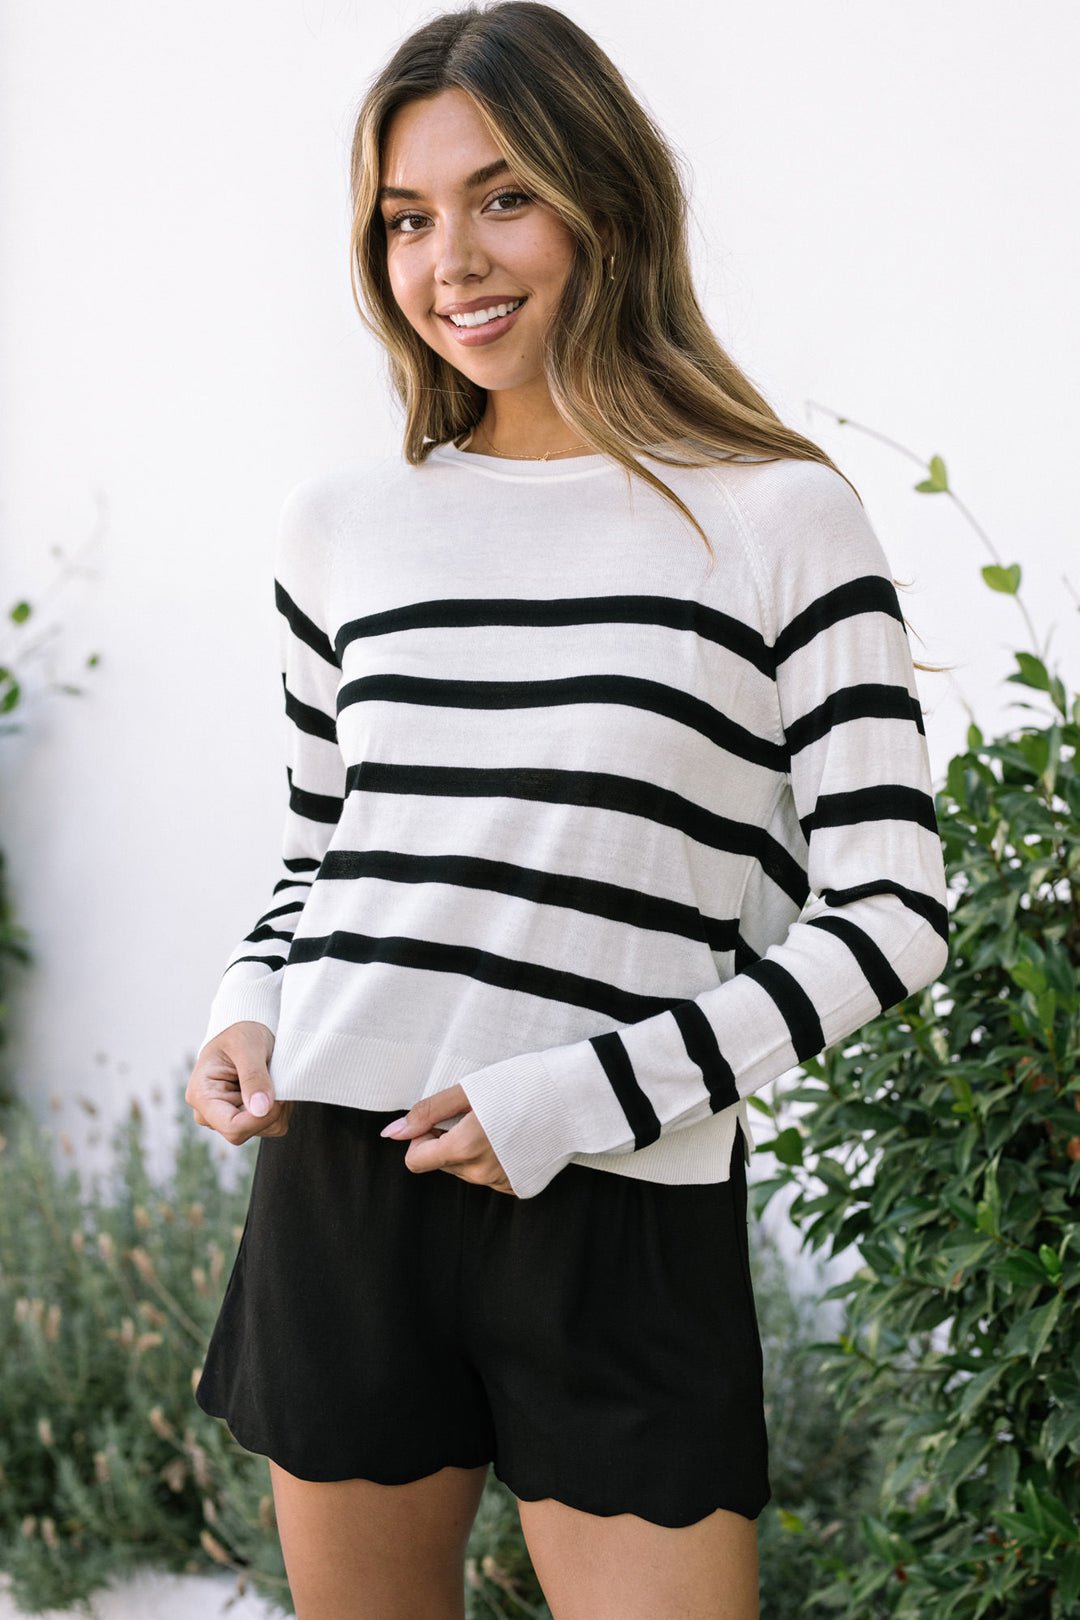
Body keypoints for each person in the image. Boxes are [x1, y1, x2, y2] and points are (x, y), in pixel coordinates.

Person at [185, 4, 949, 1616]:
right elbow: (329, 847)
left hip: (621, 1202)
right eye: (407, 216)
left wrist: (585, 1096)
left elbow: (894, 910)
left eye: (504, 194)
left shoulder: (780, 516)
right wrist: (248, 1002)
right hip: (341, 1177)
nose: (450, 256)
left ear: (608, 199)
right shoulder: (343, 525)